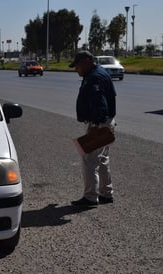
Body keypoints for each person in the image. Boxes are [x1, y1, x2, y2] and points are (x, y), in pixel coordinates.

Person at [69, 51, 117, 206]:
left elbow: (100, 104)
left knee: (89, 159)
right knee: (102, 159)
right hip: (106, 123)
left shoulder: (94, 77)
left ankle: (90, 197)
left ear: (86, 62)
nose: (76, 69)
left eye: (77, 66)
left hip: (100, 124)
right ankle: (106, 193)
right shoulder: (97, 73)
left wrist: (95, 126)